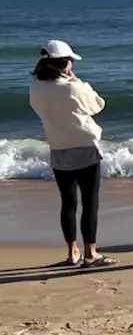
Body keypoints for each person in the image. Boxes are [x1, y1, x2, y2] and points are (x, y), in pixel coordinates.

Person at [28, 40, 118, 268]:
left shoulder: (36, 88)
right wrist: (79, 82)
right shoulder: (72, 88)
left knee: (68, 203)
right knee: (90, 202)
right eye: (69, 62)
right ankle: (91, 253)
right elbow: (99, 104)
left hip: (58, 148)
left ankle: (72, 252)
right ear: (64, 64)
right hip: (84, 147)